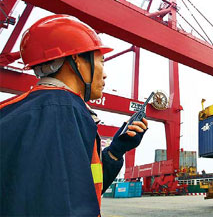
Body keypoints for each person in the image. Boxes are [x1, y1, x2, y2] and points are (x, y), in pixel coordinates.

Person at [0, 15, 148, 216]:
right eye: (101, 61)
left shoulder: (12, 111)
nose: (104, 74)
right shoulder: (63, 114)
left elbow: (79, 190)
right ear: (76, 60)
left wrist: (115, 152)